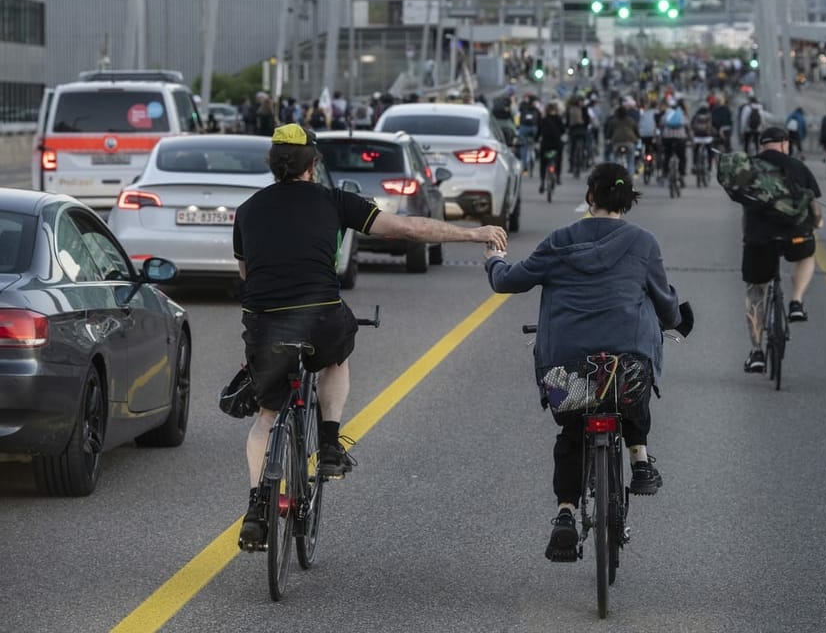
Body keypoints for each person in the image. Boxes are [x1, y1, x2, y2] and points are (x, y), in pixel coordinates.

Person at [233, 123, 508, 549]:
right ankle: (327, 444)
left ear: (273, 164)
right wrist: (473, 233)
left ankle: (255, 508)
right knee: (336, 356)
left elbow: (247, 276)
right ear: (313, 165)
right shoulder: (334, 201)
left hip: (265, 324)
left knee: (266, 417)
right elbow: (408, 230)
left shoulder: (248, 209)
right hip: (320, 316)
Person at [482, 163, 692, 561]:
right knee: (631, 385)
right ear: (629, 200)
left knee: (572, 432)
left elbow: (507, 281)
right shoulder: (643, 243)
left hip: (564, 370)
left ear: (590, 197)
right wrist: (678, 318)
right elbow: (666, 306)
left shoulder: (559, 241)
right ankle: (640, 461)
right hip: (626, 367)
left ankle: (565, 513)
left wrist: (494, 259)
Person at [738, 127, 824, 374]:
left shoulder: (749, 169)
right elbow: (815, 206)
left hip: (759, 239)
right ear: (785, 144)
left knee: (756, 292)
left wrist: (748, 236)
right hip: (795, 235)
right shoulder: (799, 167)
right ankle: (796, 302)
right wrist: (816, 222)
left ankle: (756, 353)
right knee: (807, 256)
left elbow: (745, 208)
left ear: (761, 145)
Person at [536, 101, 566, 193]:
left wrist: (536, 139)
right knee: (559, 159)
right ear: (555, 110)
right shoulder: (558, 119)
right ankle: (558, 177)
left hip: (545, 145)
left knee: (543, 162)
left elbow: (538, 132)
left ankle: (542, 182)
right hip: (556, 144)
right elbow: (563, 130)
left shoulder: (544, 120)